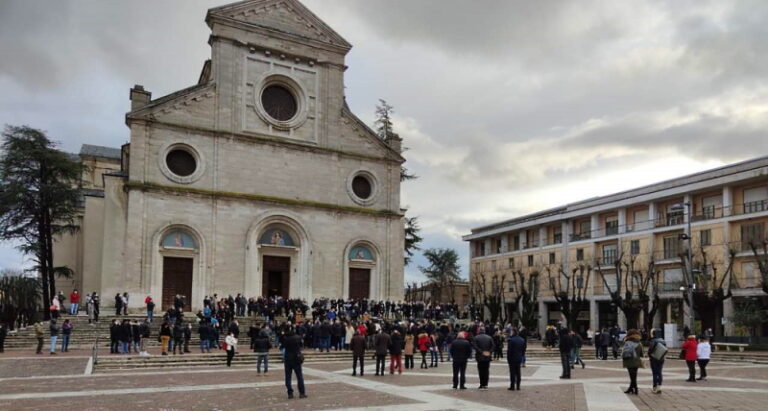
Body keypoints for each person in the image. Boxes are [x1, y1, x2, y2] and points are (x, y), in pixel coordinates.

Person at [282, 329, 307, 399]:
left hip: (288, 359)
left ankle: (290, 393)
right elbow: (301, 346)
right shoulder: (298, 338)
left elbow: (283, 346)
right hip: (296, 358)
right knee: (299, 376)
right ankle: (302, 393)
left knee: (288, 376)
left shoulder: (286, 339)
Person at [621, 329, 643, 395]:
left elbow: (624, 352)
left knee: (632, 376)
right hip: (637, 361)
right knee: (634, 376)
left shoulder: (627, 342)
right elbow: (641, 354)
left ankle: (635, 388)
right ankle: (631, 388)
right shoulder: (639, 343)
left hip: (629, 361)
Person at [648, 329, 667, 393]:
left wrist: (649, 355)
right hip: (661, 358)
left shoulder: (653, 341)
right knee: (660, 372)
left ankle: (655, 387)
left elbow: (650, 350)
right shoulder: (663, 341)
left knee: (655, 373)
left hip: (654, 358)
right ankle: (659, 386)